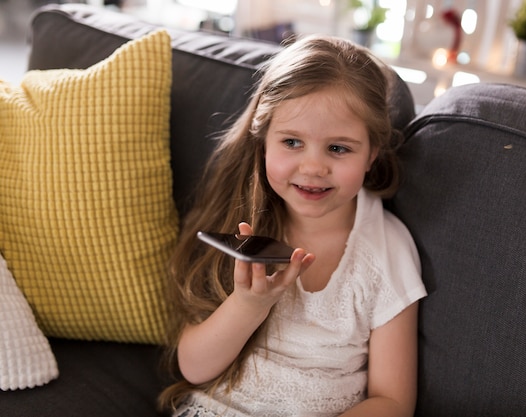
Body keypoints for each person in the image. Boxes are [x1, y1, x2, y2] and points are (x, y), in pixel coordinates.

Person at [159, 34, 427, 417]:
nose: (314, 167)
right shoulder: (241, 224)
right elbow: (194, 367)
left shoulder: (388, 249)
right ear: (263, 140)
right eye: (292, 142)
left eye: (338, 148)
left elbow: (393, 401)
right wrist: (248, 305)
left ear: (371, 155)